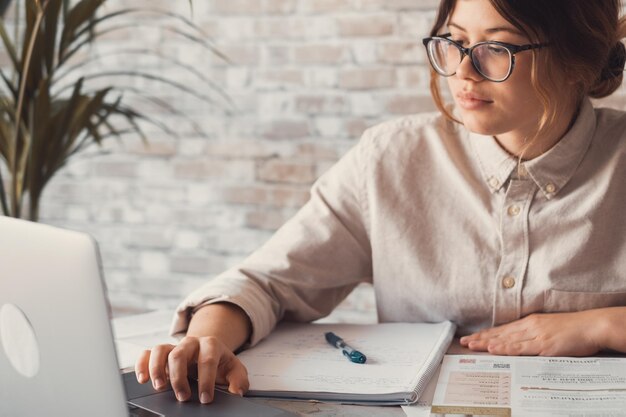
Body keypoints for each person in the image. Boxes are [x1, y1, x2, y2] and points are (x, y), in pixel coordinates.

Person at [135, 0, 626, 405]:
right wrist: (209, 340)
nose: (463, 71)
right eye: (454, 41)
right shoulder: (390, 158)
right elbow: (266, 283)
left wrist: (604, 324)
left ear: (575, 59)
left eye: (497, 48)